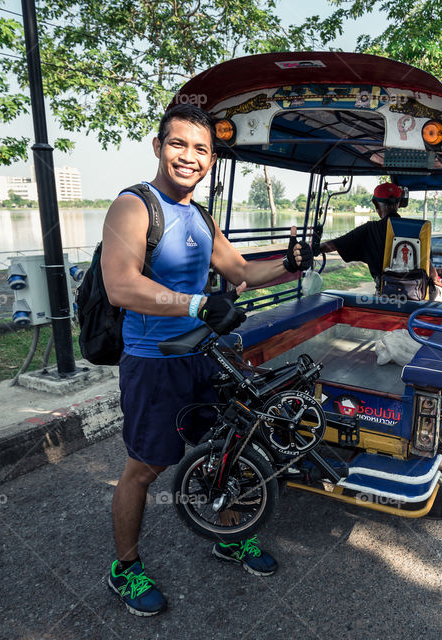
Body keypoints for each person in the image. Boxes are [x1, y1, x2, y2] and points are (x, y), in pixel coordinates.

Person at [100, 103, 311, 616]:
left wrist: (290, 265)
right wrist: (197, 303)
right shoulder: (134, 206)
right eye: (178, 144)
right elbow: (120, 285)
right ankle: (124, 569)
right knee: (144, 469)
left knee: (228, 450)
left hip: (201, 355)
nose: (188, 157)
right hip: (154, 361)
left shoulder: (197, 214)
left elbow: (239, 270)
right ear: (158, 147)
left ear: (211, 159)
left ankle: (229, 533)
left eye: (200, 149)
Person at [316, 182, 442, 297]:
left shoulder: (369, 229)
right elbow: (426, 261)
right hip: (418, 294)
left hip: (385, 293)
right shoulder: (418, 229)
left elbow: (333, 245)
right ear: (399, 203)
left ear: (375, 204)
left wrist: (313, 248)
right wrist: (437, 280)